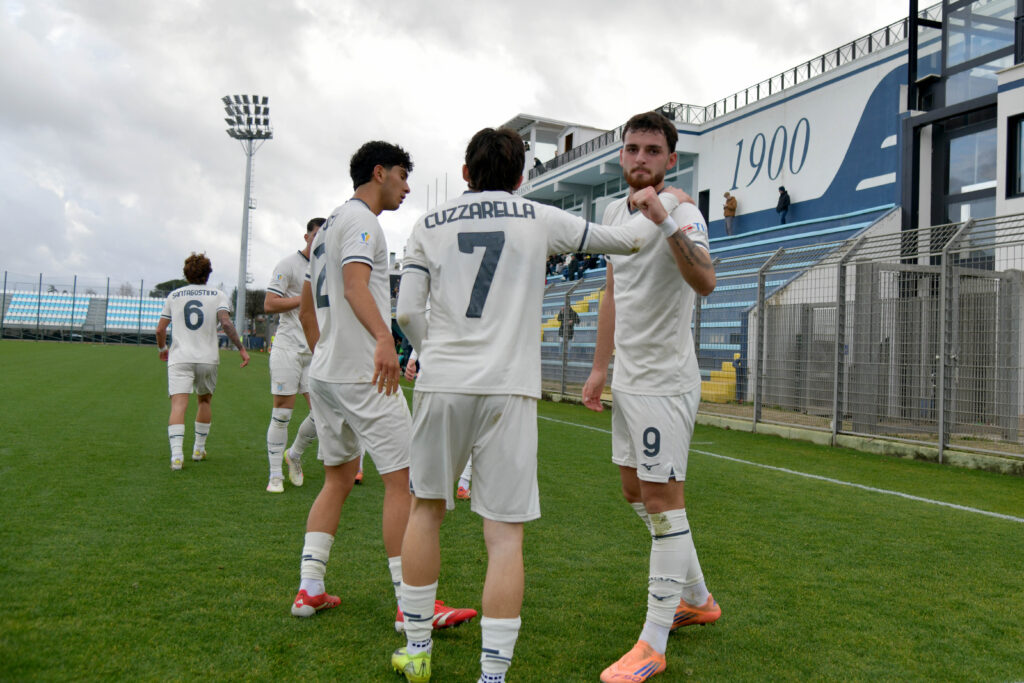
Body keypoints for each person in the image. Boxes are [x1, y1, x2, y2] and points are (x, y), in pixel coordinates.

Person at [392, 126, 685, 683]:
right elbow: (625, 243)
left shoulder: (427, 224)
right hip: (509, 387)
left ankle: (415, 648)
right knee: (503, 535)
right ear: (522, 176)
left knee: (426, 511)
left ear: (464, 173)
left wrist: (437, 354)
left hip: (444, 385)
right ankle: (493, 674)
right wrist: (664, 206)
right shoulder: (536, 216)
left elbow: (407, 313)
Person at [289, 141, 476, 636]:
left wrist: (328, 351)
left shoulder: (326, 226)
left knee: (337, 478)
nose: (407, 186)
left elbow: (309, 309)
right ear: (378, 173)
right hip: (361, 375)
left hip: (327, 373)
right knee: (407, 482)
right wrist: (379, 341)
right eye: (401, 176)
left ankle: (310, 587)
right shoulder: (364, 223)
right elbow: (354, 287)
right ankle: (410, 606)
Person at [581, 111, 719, 683]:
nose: (640, 158)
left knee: (663, 500)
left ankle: (652, 642)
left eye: (652, 150)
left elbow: (706, 280)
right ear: (622, 156)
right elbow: (614, 288)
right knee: (634, 489)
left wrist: (666, 220)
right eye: (632, 148)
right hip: (630, 378)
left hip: (665, 380)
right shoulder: (614, 211)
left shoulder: (684, 211)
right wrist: (598, 367)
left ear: (670, 159)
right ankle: (698, 597)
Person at [155, 253, 249, 471]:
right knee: (204, 402)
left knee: (179, 405)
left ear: (186, 273)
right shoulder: (218, 295)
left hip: (180, 358)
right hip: (207, 358)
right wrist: (241, 349)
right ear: (208, 273)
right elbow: (226, 323)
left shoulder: (174, 295)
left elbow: (160, 329)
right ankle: (198, 449)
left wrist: (162, 349)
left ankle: (177, 456)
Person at [262, 217, 325, 493]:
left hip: (316, 350)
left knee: (323, 415)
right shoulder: (288, 264)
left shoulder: (328, 267)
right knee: (282, 414)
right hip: (288, 349)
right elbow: (269, 303)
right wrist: (304, 298)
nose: (319, 240)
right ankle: (275, 475)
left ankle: (294, 455)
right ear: (306, 236)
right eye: (316, 235)